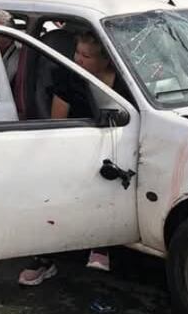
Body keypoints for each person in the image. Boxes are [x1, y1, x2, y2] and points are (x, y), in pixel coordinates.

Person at [18, 32, 125, 286]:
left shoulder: (125, 81)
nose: (78, 59)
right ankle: (44, 257)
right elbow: (59, 122)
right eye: (77, 52)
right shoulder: (68, 77)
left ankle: (101, 245)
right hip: (77, 143)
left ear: (106, 60)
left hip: (117, 146)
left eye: (86, 56)